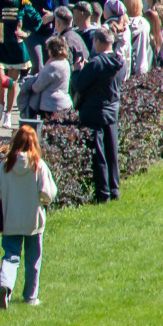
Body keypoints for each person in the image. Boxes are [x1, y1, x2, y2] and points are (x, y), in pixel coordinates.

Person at [0, 124, 58, 308]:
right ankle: (30, 296)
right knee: (33, 259)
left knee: (11, 255)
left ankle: (5, 285)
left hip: (10, 219)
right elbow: (48, 193)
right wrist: (42, 202)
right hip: (33, 221)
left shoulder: (6, 165)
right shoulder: (38, 165)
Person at [72, 25, 126, 202]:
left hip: (94, 112)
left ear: (96, 42)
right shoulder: (120, 63)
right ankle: (114, 190)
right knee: (112, 153)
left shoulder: (96, 63)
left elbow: (79, 84)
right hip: (112, 111)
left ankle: (103, 193)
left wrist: (77, 70)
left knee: (99, 155)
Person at [17, 35, 72, 118]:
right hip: (65, 103)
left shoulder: (53, 66)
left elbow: (37, 87)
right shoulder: (65, 63)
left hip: (51, 105)